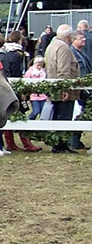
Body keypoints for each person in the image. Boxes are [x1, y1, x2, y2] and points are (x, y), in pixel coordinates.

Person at [0, 31, 41, 152]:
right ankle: (26, 143)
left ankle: (11, 142)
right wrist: (22, 91)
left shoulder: (7, 52)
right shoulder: (17, 55)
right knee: (21, 114)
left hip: (8, 88)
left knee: (10, 115)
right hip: (15, 88)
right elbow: (16, 74)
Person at [44, 24, 80, 153]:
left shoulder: (51, 46)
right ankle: (61, 145)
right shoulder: (63, 48)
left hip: (53, 87)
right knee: (64, 117)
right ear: (69, 36)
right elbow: (64, 71)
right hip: (62, 89)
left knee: (58, 116)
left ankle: (58, 144)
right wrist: (65, 89)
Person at [68, 30, 90, 150]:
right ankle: (73, 141)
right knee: (79, 114)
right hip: (80, 89)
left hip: (86, 88)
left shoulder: (82, 53)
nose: (84, 39)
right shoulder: (72, 53)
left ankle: (76, 140)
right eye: (81, 38)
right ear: (73, 40)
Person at [24, 56, 48, 120]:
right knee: (36, 111)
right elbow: (26, 82)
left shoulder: (44, 72)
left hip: (43, 95)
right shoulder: (30, 72)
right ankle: (29, 120)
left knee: (42, 112)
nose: (40, 67)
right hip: (34, 96)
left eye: (41, 65)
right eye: (38, 65)